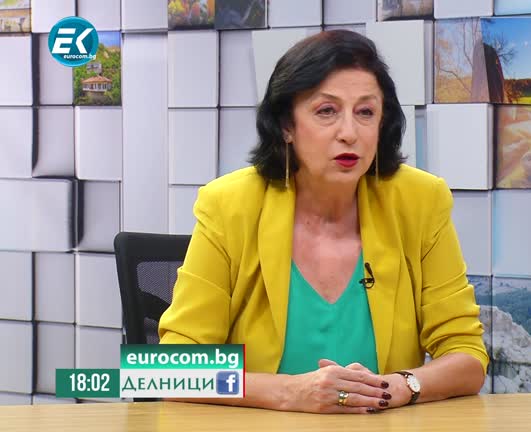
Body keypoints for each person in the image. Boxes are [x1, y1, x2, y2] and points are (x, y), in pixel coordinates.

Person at [158, 29, 488, 414]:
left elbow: (467, 356)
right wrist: (289, 392)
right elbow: (166, 372)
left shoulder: (420, 201)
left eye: (365, 112)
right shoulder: (229, 205)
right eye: (326, 111)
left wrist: (398, 387)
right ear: (286, 125)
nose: (349, 133)